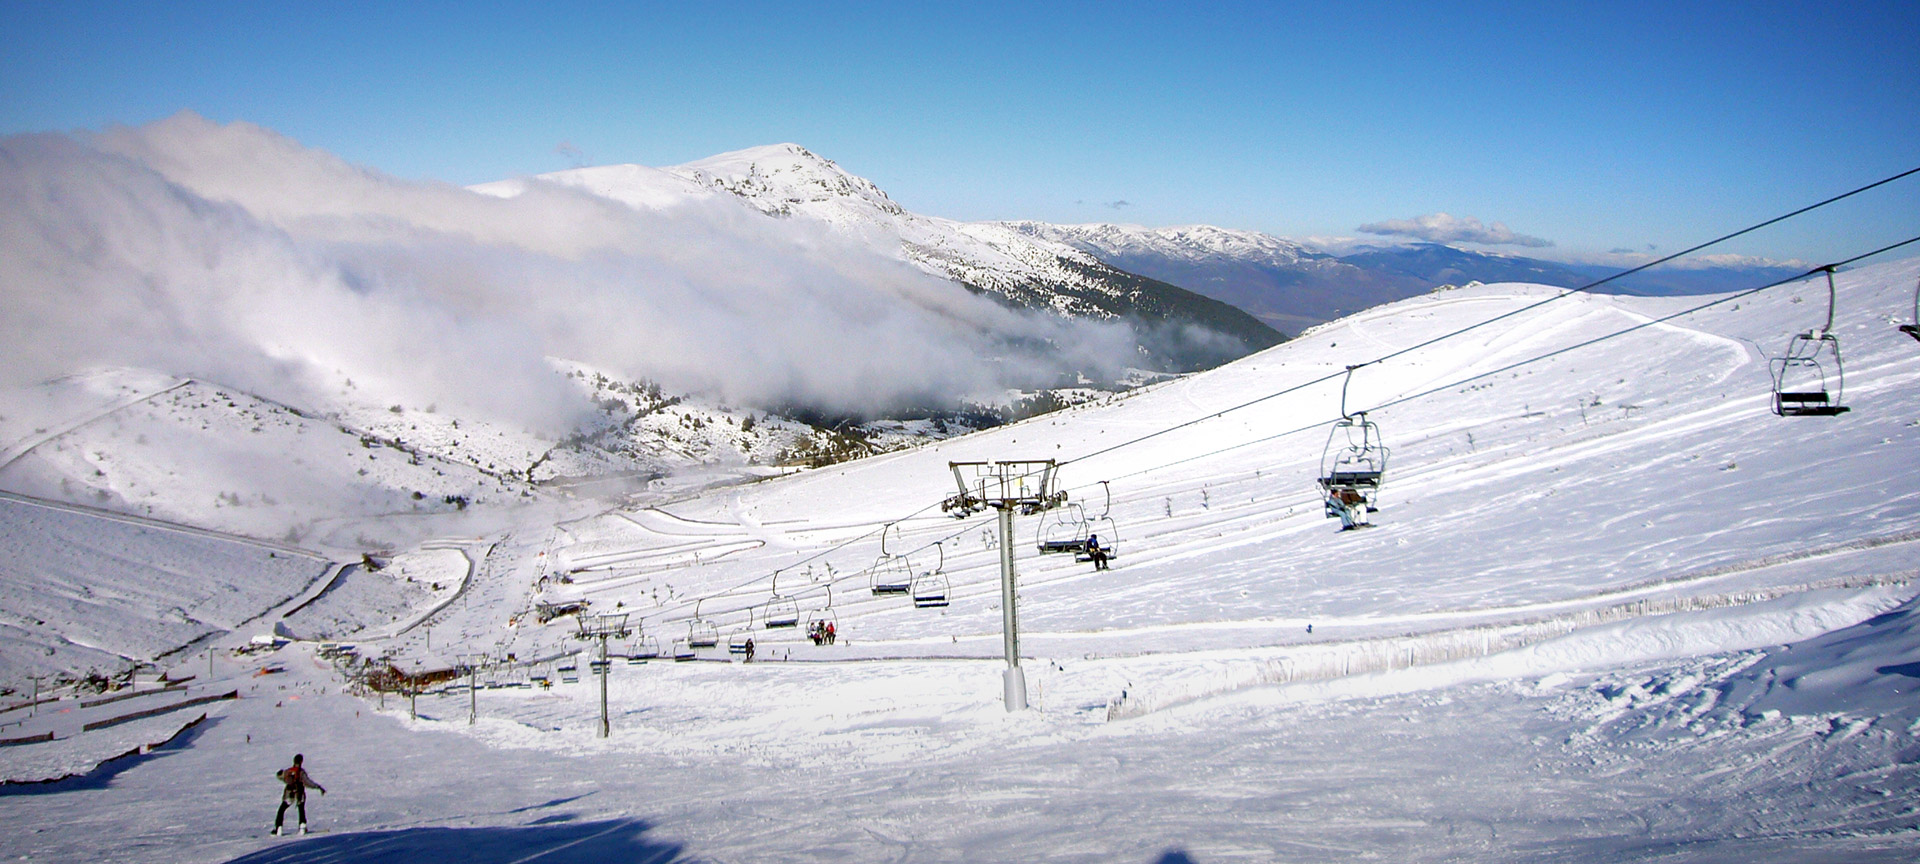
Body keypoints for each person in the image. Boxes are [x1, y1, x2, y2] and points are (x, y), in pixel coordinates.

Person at [272, 753, 326, 835]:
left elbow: (281, 776)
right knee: (301, 809)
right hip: (299, 793)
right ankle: (302, 827)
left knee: (282, 809)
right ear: (301, 762)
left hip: (289, 793)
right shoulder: (301, 772)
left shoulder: (288, 771)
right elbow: (307, 782)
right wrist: (318, 787)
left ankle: (279, 828)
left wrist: (280, 774)